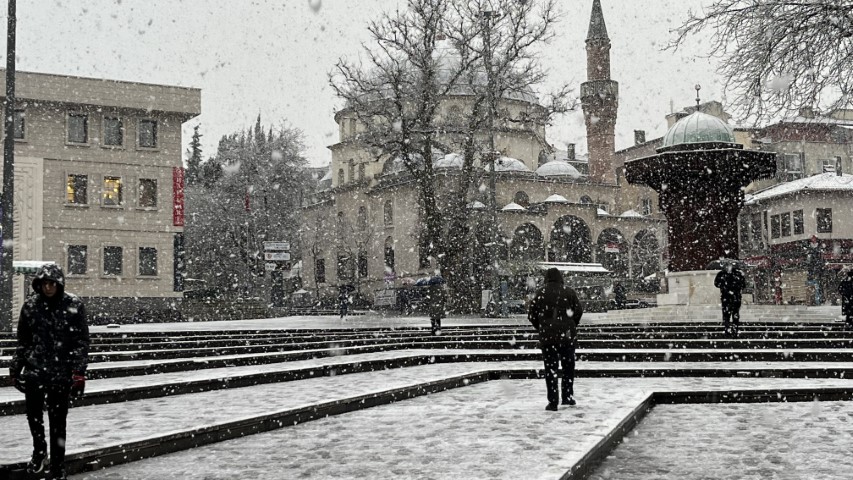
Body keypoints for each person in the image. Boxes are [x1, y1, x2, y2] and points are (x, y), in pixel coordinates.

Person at [9, 264, 89, 480]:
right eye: (44, 283)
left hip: (61, 373)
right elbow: (24, 341)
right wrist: (16, 368)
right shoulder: (31, 306)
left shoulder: (73, 305)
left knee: (57, 422)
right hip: (36, 371)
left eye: (52, 283)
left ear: (59, 284)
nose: (48, 287)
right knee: (34, 417)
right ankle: (39, 451)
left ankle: (57, 467)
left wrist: (78, 373)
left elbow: (81, 342)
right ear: (39, 285)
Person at [527, 267, 583, 411]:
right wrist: (570, 325)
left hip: (548, 337)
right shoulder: (569, 292)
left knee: (550, 368)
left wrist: (542, 327)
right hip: (566, 336)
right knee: (568, 367)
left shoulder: (541, 293)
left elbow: (531, 314)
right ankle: (567, 396)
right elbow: (578, 311)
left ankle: (553, 401)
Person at [714, 262, 745, 338]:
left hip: (735, 297)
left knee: (735, 314)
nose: (729, 267)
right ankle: (727, 330)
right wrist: (725, 288)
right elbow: (716, 283)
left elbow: (743, 284)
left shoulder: (737, 274)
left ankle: (734, 331)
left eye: (730, 265)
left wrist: (735, 289)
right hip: (726, 297)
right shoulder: (722, 274)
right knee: (726, 315)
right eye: (727, 265)